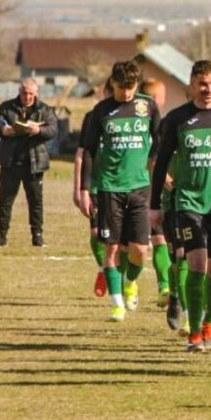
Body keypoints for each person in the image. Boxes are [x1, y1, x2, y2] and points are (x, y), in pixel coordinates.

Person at [150, 60, 211, 352]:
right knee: (197, 264)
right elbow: (161, 162)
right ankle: (194, 328)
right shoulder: (176, 119)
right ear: (191, 85)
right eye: (203, 84)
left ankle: (210, 322)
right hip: (188, 203)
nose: (209, 89)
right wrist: (154, 204)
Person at [79, 61, 161, 322]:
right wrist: (84, 189)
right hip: (108, 188)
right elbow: (89, 151)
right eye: (122, 87)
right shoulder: (100, 112)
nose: (127, 93)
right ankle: (116, 305)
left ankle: (129, 281)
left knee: (139, 250)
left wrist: (156, 166)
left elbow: (160, 140)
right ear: (112, 83)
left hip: (139, 188)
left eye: (131, 87)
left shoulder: (147, 106)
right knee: (111, 248)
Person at [0, 77, 58, 247]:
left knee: (35, 202)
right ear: (19, 92)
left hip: (34, 164)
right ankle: (1, 235)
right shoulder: (6, 107)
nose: (27, 97)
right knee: (5, 201)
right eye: (24, 93)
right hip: (10, 163)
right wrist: (4, 130)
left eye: (30, 94)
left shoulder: (45, 109)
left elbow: (53, 130)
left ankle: (37, 236)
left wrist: (38, 130)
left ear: (36, 93)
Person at [73, 79, 113, 296]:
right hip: (97, 185)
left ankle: (111, 272)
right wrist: (78, 188)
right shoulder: (92, 118)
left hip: (123, 187)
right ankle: (104, 269)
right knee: (98, 232)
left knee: (121, 241)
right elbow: (81, 154)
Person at [140, 78, 173, 308]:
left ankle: (164, 285)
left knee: (158, 238)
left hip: (146, 185)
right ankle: (165, 285)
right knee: (159, 238)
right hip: (151, 187)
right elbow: (153, 160)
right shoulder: (158, 122)